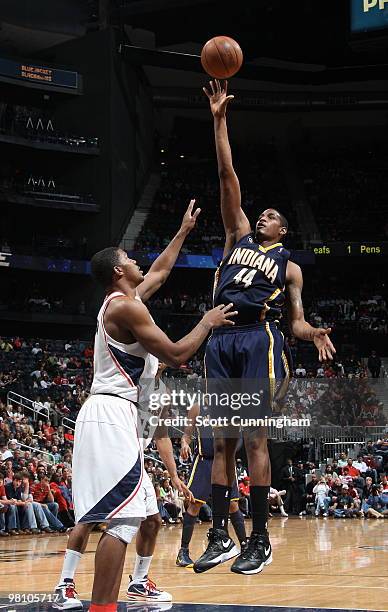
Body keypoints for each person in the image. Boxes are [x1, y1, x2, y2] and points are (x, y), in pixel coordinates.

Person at [55, 202, 237, 611]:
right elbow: (176, 355)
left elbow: (161, 272)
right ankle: (100, 606)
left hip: (120, 417)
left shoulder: (124, 301)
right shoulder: (126, 306)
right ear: (118, 271)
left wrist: (183, 230)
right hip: (111, 414)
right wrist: (206, 322)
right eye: (130, 258)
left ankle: (136, 586)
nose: (139, 262)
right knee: (119, 522)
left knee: (146, 516)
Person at [194, 79, 335, 576]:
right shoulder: (236, 236)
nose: (265, 215)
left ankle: (259, 540)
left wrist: (314, 333)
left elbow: (294, 322)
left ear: (283, 231)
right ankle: (218, 534)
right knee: (221, 442)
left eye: (274, 215)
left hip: (260, 337)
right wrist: (219, 120)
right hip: (221, 339)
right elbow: (227, 173)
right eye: (264, 211)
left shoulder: (289, 265)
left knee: (254, 440)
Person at [176, 403, 247, 568]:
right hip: (204, 461)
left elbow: (239, 439)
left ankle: (245, 546)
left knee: (233, 504)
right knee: (194, 505)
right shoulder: (198, 408)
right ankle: (183, 552)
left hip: (224, 461)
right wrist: (184, 444)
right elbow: (187, 435)